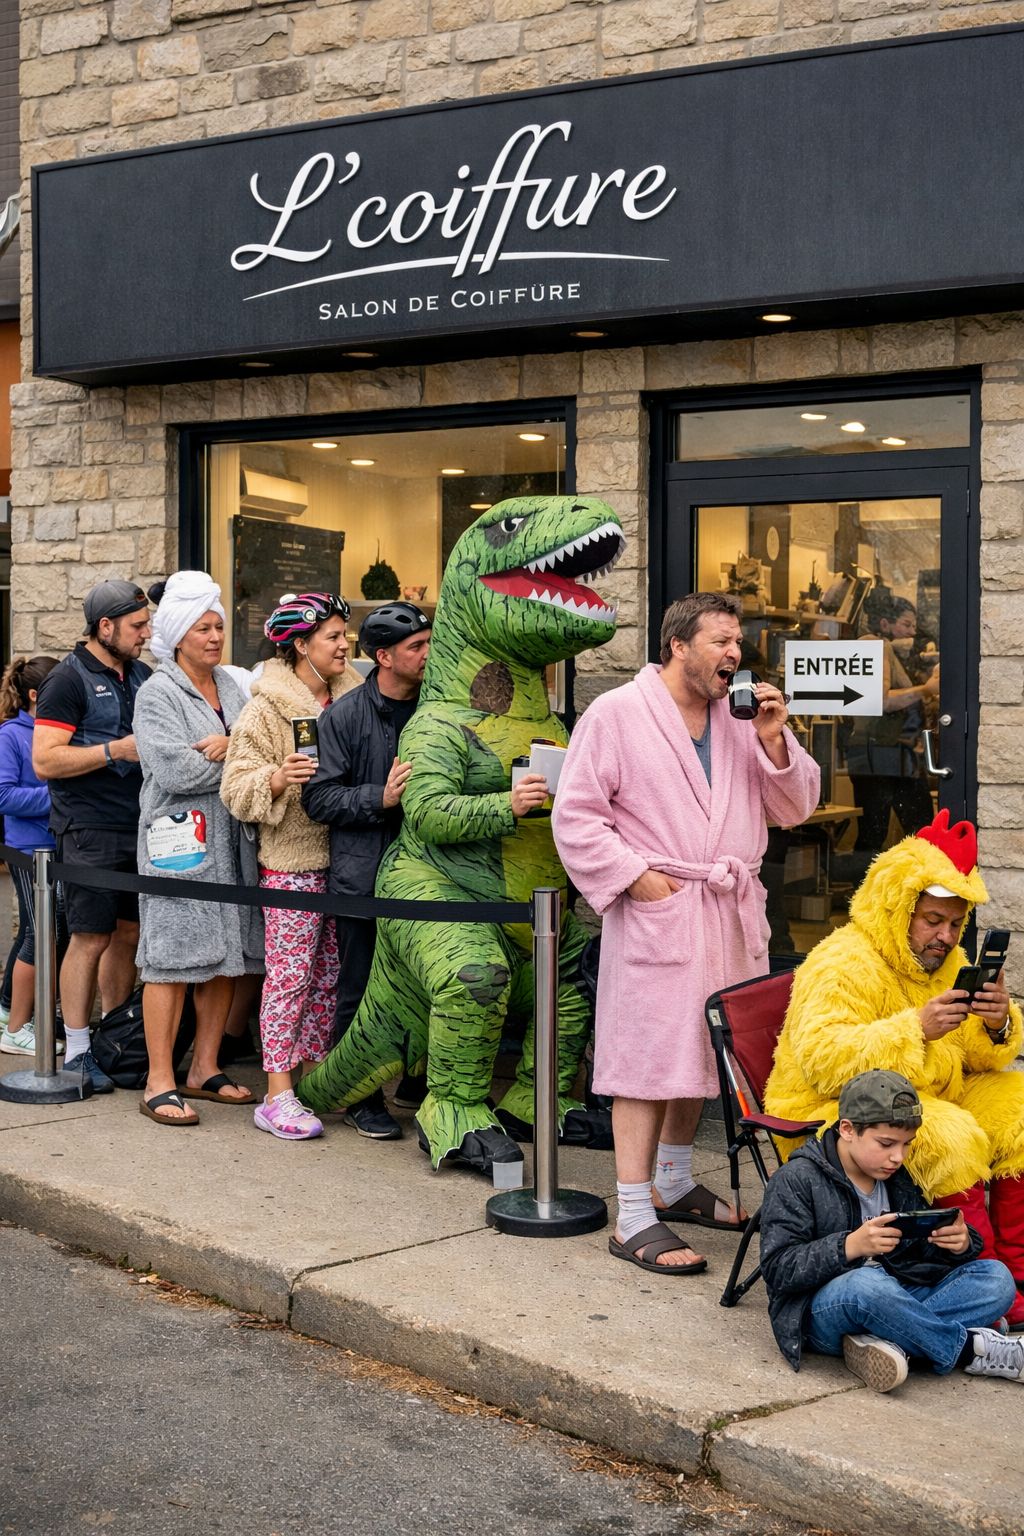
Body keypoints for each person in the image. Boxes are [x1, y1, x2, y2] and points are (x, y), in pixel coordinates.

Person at [552, 591, 819, 1274]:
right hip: (662, 906)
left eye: (738, 643)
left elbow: (795, 808)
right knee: (644, 1057)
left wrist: (774, 739)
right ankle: (633, 1213)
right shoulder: (617, 714)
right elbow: (577, 816)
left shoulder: (739, 722)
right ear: (677, 645)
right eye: (720, 641)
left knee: (701, 1053)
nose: (735, 654)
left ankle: (672, 1179)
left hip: (725, 911)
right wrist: (635, 877)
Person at [764, 808, 1024, 1325]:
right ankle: (986, 1284)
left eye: (954, 924)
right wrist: (914, 1030)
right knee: (949, 1135)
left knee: (1018, 1110)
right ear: (897, 907)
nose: (946, 937)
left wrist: (998, 1025)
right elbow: (824, 1061)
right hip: (830, 1106)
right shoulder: (842, 961)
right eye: (932, 920)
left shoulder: (944, 961)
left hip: (920, 1092)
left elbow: (973, 1057)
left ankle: (1017, 1276)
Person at [759, 1069, 1023, 1391]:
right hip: (822, 1312)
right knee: (866, 1284)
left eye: (906, 1145)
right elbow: (776, 1269)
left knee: (996, 1279)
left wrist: (959, 1243)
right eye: (886, 1143)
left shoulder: (896, 1175)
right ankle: (970, 1348)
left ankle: (890, 1342)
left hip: (894, 1296)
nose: (897, 1156)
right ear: (847, 1129)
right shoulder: (796, 1178)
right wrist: (849, 1246)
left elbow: (918, 1257)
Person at [220, 593, 359, 1141]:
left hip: (347, 858)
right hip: (291, 863)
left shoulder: (355, 698)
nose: (346, 643)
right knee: (290, 978)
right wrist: (277, 778)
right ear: (301, 645)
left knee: (329, 978)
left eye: (345, 634)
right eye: (333, 636)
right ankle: (277, 1092)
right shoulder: (264, 708)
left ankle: (313, 1080)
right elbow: (235, 788)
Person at [133, 572, 262, 1126]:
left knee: (227, 955)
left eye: (219, 626)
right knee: (169, 958)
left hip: (235, 839)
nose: (215, 636)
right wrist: (236, 757)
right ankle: (158, 1078)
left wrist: (229, 746)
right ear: (179, 634)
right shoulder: (157, 692)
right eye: (203, 628)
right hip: (179, 842)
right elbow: (175, 768)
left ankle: (204, 1067)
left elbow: (260, 746)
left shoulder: (233, 688)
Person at [302, 601, 432, 1139]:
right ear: (383, 656)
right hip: (363, 878)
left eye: (428, 643)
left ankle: (416, 1083)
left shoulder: (437, 705)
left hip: (428, 876)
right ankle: (359, 1097)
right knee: (357, 989)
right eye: (416, 647)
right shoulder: (344, 716)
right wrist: (378, 797)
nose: (428, 654)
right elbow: (318, 798)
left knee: (423, 986)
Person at [33, 580, 153, 1093]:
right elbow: (45, 760)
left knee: (128, 935)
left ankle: (109, 1039)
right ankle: (78, 1049)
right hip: (88, 829)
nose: (146, 634)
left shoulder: (143, 673)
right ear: (105, 627)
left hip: (142, 826)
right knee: (89, 937)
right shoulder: (67, 679)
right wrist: (114, 752)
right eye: (137, 626)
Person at [0, 655, 64, 1056]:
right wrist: (58, 796)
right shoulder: (11, 734)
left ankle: (27, 1014)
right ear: (34, 695)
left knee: (45, 932)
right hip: (28, 851)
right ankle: (17, 1027)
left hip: (59, 848)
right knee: (40, 934)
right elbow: (4, 795)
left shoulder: (57, 731)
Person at [847, 594, 937, 852]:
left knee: (899, 832)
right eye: (906, 624)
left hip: (891, 753)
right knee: (911, 834)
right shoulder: (874, 646)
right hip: (882, 754)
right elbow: (880, 700)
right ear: (885, 623)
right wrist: (926, 689)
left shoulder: (887, 648)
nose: (912, 631)